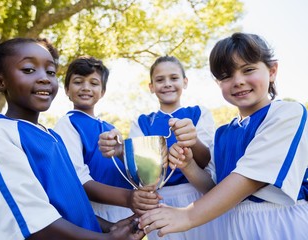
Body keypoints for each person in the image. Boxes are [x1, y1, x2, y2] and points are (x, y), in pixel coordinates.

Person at [0, 26, 145, 240]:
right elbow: (34, 218)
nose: (45, 78)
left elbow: (71, 201)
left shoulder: (52, 137)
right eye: (29, 70)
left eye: (50, 72)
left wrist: (108, 227)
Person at [139, 32, 308, 239]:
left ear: (272, 71)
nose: (238, 81)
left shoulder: (287, 113)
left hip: (278, 224)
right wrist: (188, 165)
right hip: (233, 226)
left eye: (248, 70)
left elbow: (249, 178)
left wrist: (187, 216)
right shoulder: (223, 133)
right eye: (226, 76)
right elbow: (212, 187)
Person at [100, 55, 218, 239]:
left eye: (174, 78)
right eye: (160, 80)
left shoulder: (198, 113)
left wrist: (192, 140)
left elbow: (206, 159)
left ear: (185, 82)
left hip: (196, 196)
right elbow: (139, 167)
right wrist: (120, 150)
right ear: (151, 86)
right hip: (160, 200)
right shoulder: (142, 122)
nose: (167, 84)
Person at [54, 56, 160, 222]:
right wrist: (128, 198)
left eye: (94, 83)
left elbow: (130, 171)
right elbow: (75, 179)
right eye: (78, 82)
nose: (86, 88)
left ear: (102, 92)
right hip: (96, 213)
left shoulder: (111, 129)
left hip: (125, 211)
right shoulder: (68, 124)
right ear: (67, 90)